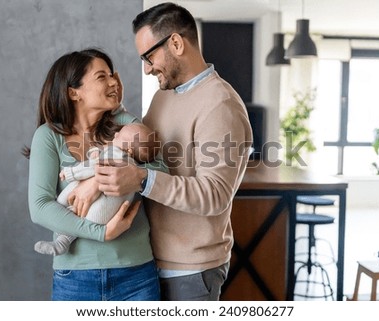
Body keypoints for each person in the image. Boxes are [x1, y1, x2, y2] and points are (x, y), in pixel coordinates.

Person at [94, 2, 253, 301]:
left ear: (176, 43)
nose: (146, 68)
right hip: (148, 262)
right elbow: (143, 156)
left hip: (191, 270)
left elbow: (215, 195)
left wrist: (141, 179)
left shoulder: (220, 105)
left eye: (149, 56)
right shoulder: (162, 98)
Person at [26, 48, 166, 301]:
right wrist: (102, 233)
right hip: (76, 278)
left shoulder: (125, 124)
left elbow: (162, 171)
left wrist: (95, 181)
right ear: (73, 92)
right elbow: (40, 207)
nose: (114, 81)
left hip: (135, 273)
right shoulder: (48, 137)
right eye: (102, 77)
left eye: (112, 75)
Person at [34, 122, 160, 256]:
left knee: (67, 195)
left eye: (120, 136)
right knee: (79, 210)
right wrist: (97, 153)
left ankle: (63, 237)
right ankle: (63, 241)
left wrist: (72, 172)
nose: (116, 134)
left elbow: (94, 166)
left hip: (101, 211)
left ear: (128, 150)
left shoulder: (117, 154)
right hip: (105, 215)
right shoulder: (131, 167)